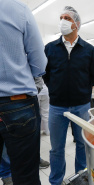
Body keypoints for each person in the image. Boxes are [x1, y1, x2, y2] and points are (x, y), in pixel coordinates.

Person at [43, 6, 94, 185]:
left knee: (82, 145)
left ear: (77, 24)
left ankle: (81, 178)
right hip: (57, 107)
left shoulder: (89, 49)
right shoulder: (50, 48)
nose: (62, 21)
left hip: (81, 105)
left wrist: (82, 92)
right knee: (56, 149)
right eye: (61, 17)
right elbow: (46, 74)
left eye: (67, 17)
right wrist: (55, 89)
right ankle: (56, 181)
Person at [0, 1, 47, 185]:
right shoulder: (17, 9)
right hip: (17, 102)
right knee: (25, 175)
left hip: (17, 104)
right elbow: (39, 62)